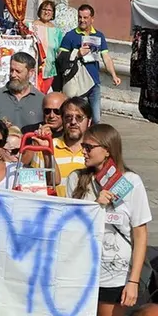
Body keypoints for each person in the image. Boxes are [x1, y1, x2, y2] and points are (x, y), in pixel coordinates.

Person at [66, 124, 151, 314]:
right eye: (83, 146)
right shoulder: (75, 179)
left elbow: (140, 233)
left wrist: (133, 281)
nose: (84, 151)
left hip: (116, 275)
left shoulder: (131, 181)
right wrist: (96, 206)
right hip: (81, 271)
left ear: (106, 150)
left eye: (89, 147)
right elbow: (71, 226)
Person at [59, 4, 121, 124]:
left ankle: (92, 140)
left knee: (96, 119)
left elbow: (106, 58)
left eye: (85, 17)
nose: (82, 20)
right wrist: (77, 54)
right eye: (80, 17)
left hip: (94, 82)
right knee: (78, 118)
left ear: (92, 19)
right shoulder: (70, 36)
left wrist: (114, 75)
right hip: (77, 82)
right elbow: (61, 58)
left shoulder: (99, 36)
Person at [29, 96, 92, 196]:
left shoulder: (95, 152)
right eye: (68, 117)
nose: (73, 122)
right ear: (62, 120)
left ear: (89, 121)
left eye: (79, 117)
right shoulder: (46, 147)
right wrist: (47, 153)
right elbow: (32, 187)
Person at [0, 52, 44, 129]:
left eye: (18, 71)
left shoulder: (41, 100)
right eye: (11, 70)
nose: (13, 75)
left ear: (30, 73)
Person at [31, 0, 63, 93]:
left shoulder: (57, 31)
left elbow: (59, 50)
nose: (46, 12)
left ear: (53, 14)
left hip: (49, 70)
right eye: (44, 9)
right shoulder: (32, 27)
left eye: (49, 10)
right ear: (40, 11)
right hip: (34, 69)